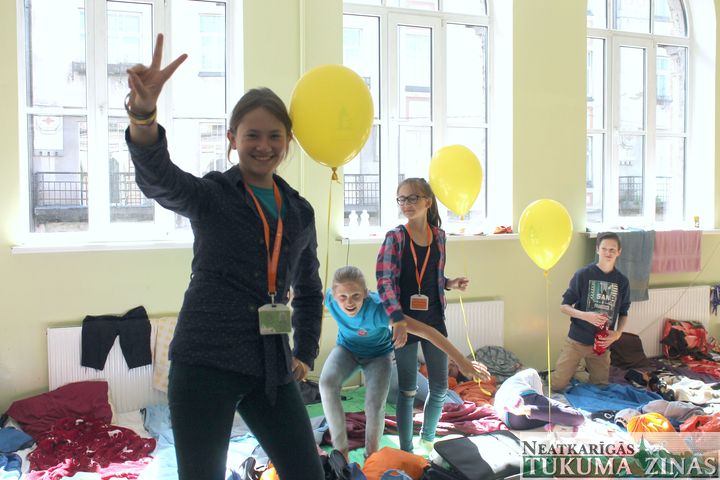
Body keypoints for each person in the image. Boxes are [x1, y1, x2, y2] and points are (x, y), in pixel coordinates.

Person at [125, 34, 324, 480]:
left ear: (288, 141)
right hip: (205, 361)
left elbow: (311, 290)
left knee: (307, 472)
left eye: (274, 136)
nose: (263, 145)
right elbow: (159, 179)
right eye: (252, 135)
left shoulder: (299, 211)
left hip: (272, 364)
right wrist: (143, 115)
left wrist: (306, 353)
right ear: (233, 138)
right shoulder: (213, 194)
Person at [321, 266, 489, 460]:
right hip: (347, 350)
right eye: (343, 297)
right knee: (326, 384)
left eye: (355, 296)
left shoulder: (380, 309)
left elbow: (428, 332)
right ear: (334, 295)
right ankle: (341, 453)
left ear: (365, 294)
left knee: (374, 404)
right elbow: (302, 297)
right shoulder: (329, 299)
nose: (349, 302)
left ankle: (372, 457)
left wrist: (462, 361)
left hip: (378, 356)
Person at [376, 177, 471, 452]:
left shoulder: (439, 236)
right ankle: (407, 450)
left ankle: (428, 441)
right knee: (407, 390)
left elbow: (432, 276)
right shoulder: (395, 237)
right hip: (404, 321)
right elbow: (384, 282)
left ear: (428, 202)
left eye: (413, 198)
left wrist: (450, 283)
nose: (406, 204)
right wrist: (397, 320)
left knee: (439, 387)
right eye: (402, 199)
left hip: (434, 318)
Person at [551, 232, 631, 393]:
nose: (608, 253)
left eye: (612, 250)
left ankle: (580, 372)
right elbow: (564, 306)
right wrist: (585, 315)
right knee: (557, 386)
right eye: (604, 249)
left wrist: (618, 333)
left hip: (601, 344)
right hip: (576, 341)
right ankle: (572, 371)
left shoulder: (622, 281)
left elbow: (624, 312)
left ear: (619, 252)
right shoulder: (583, 274)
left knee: (600, 388)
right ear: (597, 250)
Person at [493, 368, 585, 430]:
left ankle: (556, 423)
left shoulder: (504, 388)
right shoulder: (530, 372)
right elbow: (540, 397)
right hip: (522, 401)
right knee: (578, 417)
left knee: (555, 416)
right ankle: (526, 409)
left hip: (512, 422)